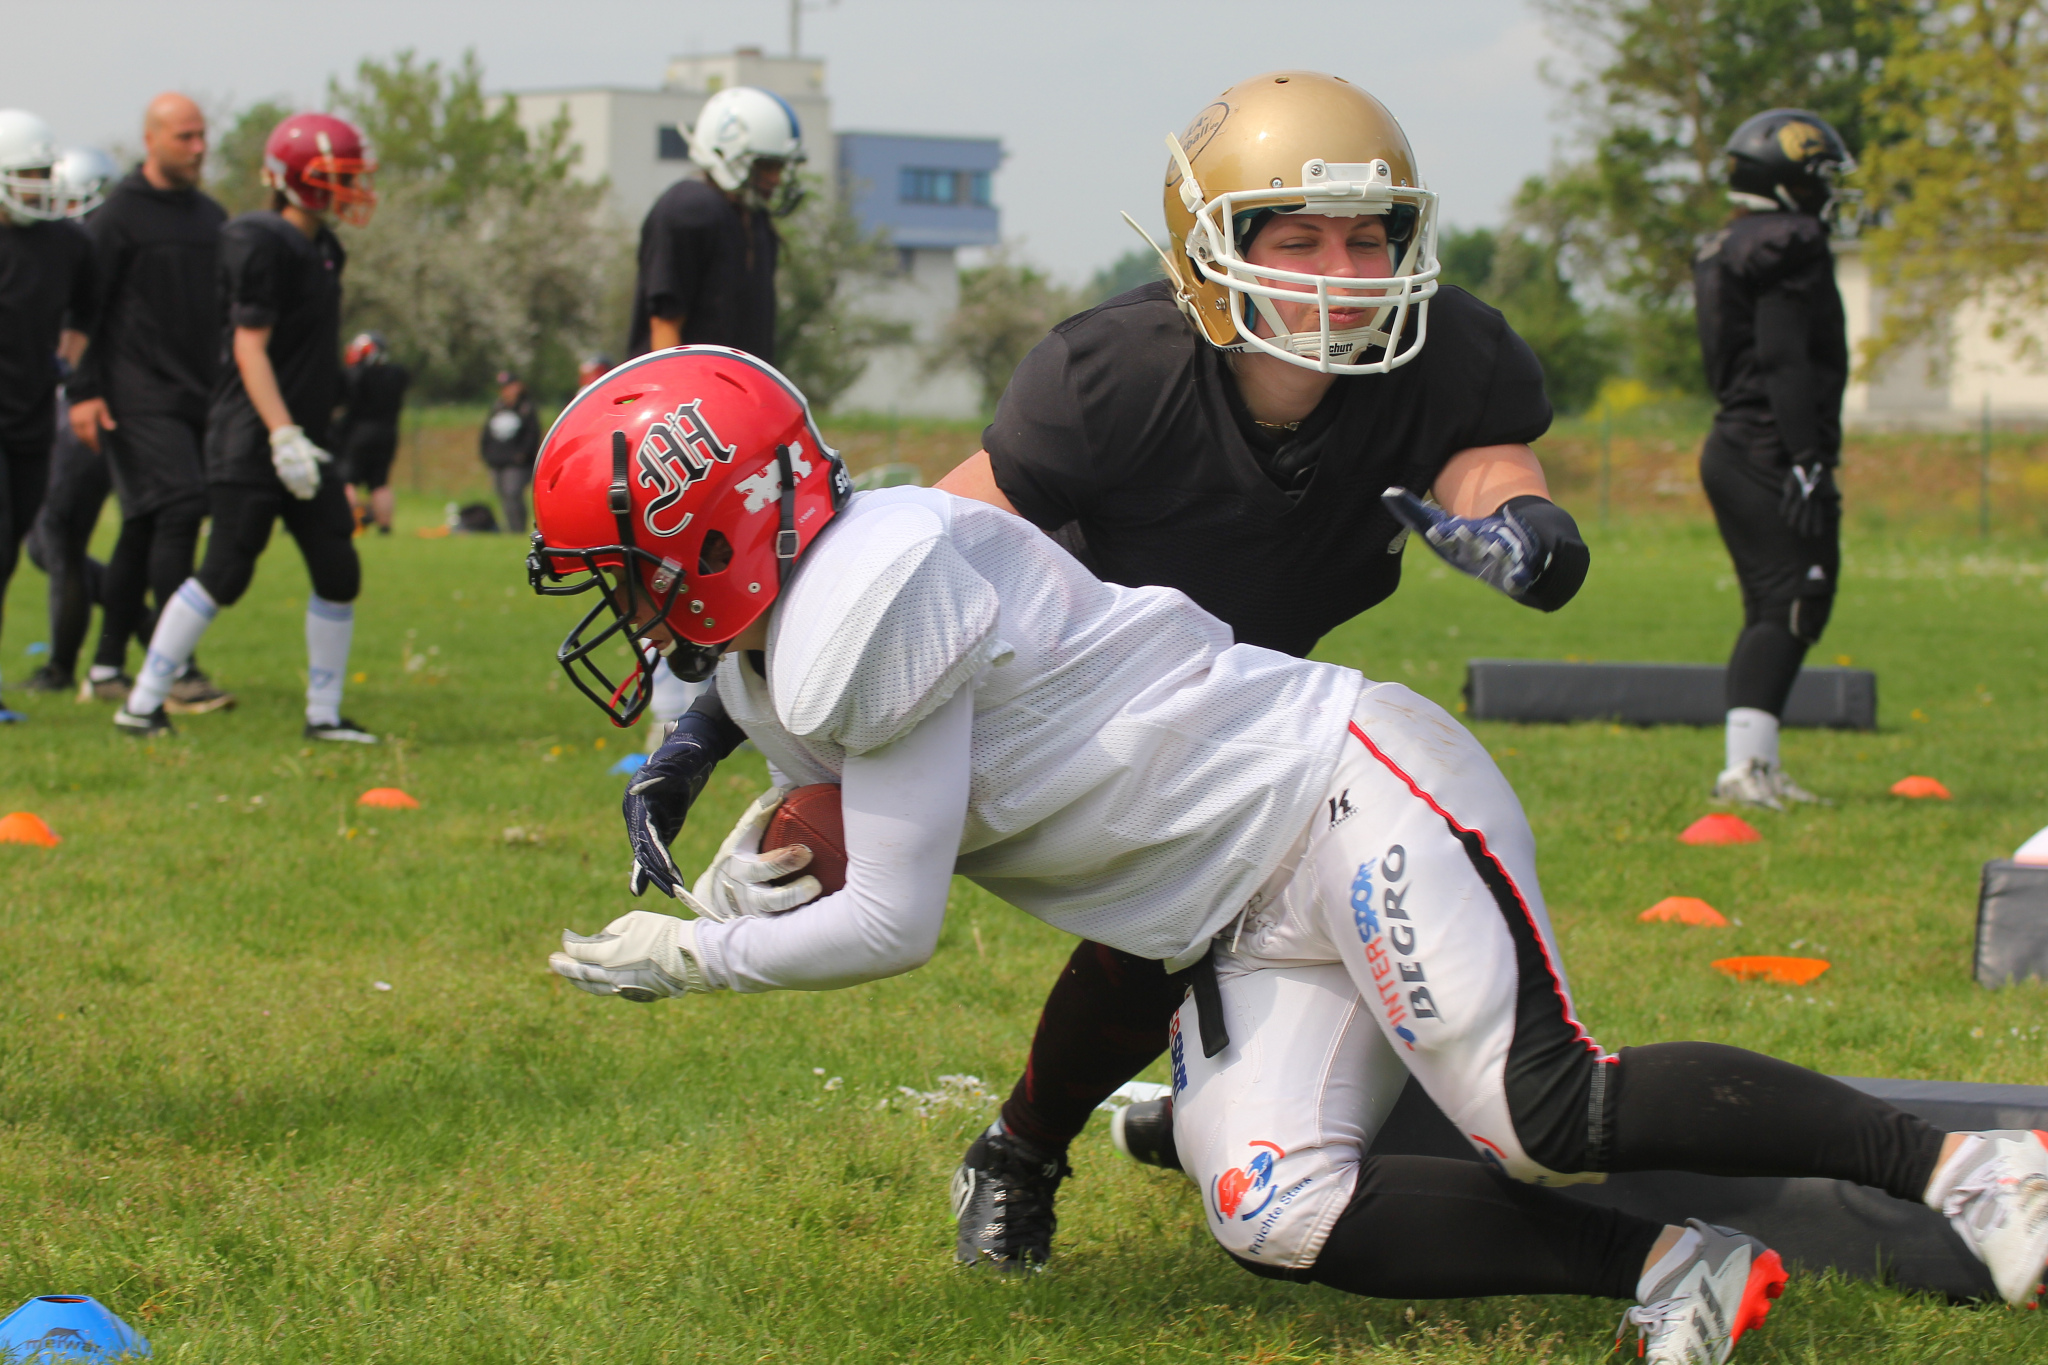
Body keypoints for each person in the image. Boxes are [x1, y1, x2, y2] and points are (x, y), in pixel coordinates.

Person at [534, 348, 2048, 1365]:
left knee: (1542, 1109)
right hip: (1237, 908)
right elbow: (841, 798)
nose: (624, 603)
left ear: (714, 524)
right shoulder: (792, 633)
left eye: (628, 567)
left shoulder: (876, 591)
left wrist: (701, 953)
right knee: (1272, 1207)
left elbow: (893, 920)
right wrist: (746, 867)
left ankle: (1971, 1167)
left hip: (1334, 789)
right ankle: (1671, 1268)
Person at [631, 71, 1595, 1269]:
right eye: (1298, 239)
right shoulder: (1112, 376)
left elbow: (1485, 465)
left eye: (1368, 237)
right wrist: (701, 734)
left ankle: (1153, 1120)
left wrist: (1530, 535)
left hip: (1252, 675)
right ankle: (1028, 1149)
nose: (1341, 275)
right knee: (1138, 910)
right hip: (1064, 684)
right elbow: (899, 560)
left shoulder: (1441, 349)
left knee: (1215, 917)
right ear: (1214, 248)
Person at [114, 111, 377, 743]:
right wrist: (281, 433)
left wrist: (312, 432)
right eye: (337, 175)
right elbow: (248, 346)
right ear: (298, 178)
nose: (349, 187)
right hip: (254, 436)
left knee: (338, 570)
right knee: (226, 570)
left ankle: (323, 716)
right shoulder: (259, 239)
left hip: (305, 440)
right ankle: (142, 704)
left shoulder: (323, 247)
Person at [1694, 110, 1853, 810]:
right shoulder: (1790, 243)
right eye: (1820, 176)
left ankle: (1754, 762)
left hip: (1740, 442)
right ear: (1788, 178)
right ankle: (1744, 769)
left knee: (1775, 604)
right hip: (1769, 447)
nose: (1828, 191)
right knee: (1793, 599)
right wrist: (1806, 456)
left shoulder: (1732, 241)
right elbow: (1785, 355)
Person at [63, 94, 234, 712]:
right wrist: (82, 391)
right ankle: (176, 668)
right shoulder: (116, 218)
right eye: (185, 136)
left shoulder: (212, 219)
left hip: (197, 394)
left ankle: (107, 667)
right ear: (151, 139)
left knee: (142, 524)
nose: (198, 147)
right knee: (181, 507)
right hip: (132, 395)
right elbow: (84, 312)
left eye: (201, 135)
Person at [0, 109, 98, 723]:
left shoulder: (68, 243)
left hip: (32, 417)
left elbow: (88, 308)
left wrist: (66, 362)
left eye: (43, 172)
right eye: (28, 174)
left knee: (11, 550)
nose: (39, 185)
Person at [626, 85, 801, 363]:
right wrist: (680, 389)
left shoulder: (755, 221)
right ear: (725, 152)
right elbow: (665, 324)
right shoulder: (691, 209)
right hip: (683, 387)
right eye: (767, 166)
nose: (776, 179)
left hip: (735, 385)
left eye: (779, 167)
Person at [337, 331, 409, 535]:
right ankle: (385, 528)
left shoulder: (355, 374)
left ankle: (351, 523)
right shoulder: (397, 374)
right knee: (380, 483)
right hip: (388, 432)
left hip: (359, 433)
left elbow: (344, 397)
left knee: (347, 481)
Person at [478, 370, 539, 534]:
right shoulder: (497, 408)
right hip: (497, 461)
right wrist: (487, 454)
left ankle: (518, 528)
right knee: (503, 495)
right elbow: (487, 434)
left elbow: (532, 435)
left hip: (517, 463)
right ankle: (510, 529)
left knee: (513, 493)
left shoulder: (526, 408)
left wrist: (522, 455)